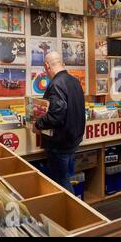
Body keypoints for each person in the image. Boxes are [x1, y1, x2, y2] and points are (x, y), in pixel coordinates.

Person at [33, 52, 85, 194]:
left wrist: (38, 124)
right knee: (67, 177)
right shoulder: (74, 81)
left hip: (60, 143)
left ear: (47, 66)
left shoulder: (56, 84)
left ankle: (74, 213)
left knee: (61, 183)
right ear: (62, 63)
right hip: (73, 140)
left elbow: (56, 115)